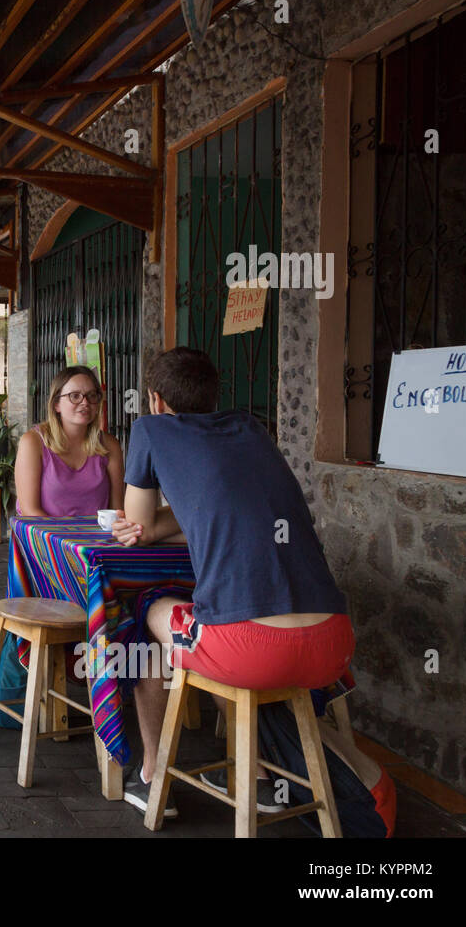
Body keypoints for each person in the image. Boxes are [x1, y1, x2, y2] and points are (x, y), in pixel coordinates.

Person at [109, 347, 352, 819]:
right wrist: (183, 517)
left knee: (147, 608)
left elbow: (138, 529)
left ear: (155, 400)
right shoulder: (249, 429)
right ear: (214, 396)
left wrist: (151, 520)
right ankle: (254, 775)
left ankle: (154, 773)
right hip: (332, 648)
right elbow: (211, 510)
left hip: (251, 653)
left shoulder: (151, 429)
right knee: (215, 614)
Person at [13, 365, 124, 516]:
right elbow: (30, 511)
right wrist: (65, 539)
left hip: (95, 538)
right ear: (56, 404)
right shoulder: (33, 442)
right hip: (43, 536)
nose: (85, 402)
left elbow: (116, 511)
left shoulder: (110, 445)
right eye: (75, 396)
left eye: (92, 395)